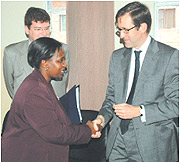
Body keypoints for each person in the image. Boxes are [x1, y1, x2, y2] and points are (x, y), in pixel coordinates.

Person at [93, 1, 179, 162]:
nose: (121, 35)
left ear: (143, 27)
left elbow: (177, 104)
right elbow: (111, 98)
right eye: (119, 30)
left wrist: (140, 111)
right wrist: (101, 119)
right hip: (118, 140)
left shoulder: (170, 56)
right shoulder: (117, 57)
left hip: (152, 143)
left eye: (126, 30)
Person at [1, 37, 101, 162]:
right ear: (45, 63)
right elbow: (55, 133)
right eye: (60, 61)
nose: (65, 65)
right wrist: (88, 130)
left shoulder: (40, 82)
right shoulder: (35, 92)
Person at [3, 7, 69, 99]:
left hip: (55, 108)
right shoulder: (11, 52)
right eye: (38, 29)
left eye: (46, 28)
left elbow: (63, 82)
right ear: (27, 29)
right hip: (25, 109)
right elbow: (10, 86)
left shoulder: (63, 49)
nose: (44, 33)